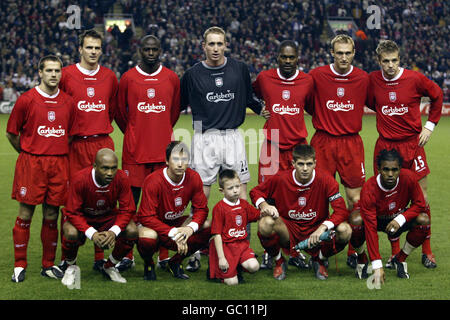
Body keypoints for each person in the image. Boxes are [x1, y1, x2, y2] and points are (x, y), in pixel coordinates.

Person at [180, 26, 262, 269]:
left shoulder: (239, 69)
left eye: (220, 44)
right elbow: (179, 104)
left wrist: (263, 110)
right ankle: (194, 252)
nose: (215, 48)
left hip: (232, 137)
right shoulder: (192, 74)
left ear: (226, 45)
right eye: (211, 44)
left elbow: (249, 98)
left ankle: (242, 247)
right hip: (203, 138)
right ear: (203, 46)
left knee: (241, 196)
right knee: (199, 199)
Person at [367, 40, 443, 269]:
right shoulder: (373, 80)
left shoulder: (414, 79)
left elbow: (437, 95)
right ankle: (394, 252)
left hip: (412, 145)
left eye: (394, 60)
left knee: (423, 197)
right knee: (387, 198)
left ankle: (427, 251)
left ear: (399, 59)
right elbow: (370, 101)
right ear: (378, 61)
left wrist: (430, 126)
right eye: (386, 61)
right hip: (385, 146)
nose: (390, 65)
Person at [115, 35, 181, 268]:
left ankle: (163, 254)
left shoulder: (172, 78)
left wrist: (160, 131)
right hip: (135, 153)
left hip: (162, 153)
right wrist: (133, 132)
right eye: (147, 49)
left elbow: (173, 113)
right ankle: (127, 254)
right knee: (129, 206)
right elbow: (119, 112)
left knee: (163, 207)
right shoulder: (128, 78)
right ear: (139, 50)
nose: (151, 53)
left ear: (160, 50)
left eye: (155, 49)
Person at [7, 55, 74, 282]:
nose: (54, 75)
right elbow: (11, 133)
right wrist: (28, 153)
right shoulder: (27, 100)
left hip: (59, 164)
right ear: (40, 72)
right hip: (32, 164)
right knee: (26, 213)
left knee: (52, 214)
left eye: (57, 71)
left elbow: (71, 134)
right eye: (49, 71)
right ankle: (19, 264)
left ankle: (47, 265)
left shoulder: (68, 102)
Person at [58, 29, 120, 272]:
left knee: (103, 197)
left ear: (101, 50)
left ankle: (98, 257)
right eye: (89, 47)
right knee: (74, 198)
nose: (93, 52)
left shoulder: (109, 77)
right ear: (80, 49)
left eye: (97, 48)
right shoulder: (66, 75)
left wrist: (99, 129)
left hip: (102, 143)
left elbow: (112, 110)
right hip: (76, 145)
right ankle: (67, 258)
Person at [308, 34, 369, 268]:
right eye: (339, 53)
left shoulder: (362, 78)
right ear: (332, 53)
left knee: (355, 198)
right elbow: (305, 101)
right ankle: (319, 249)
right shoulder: (317, 75)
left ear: (354, 53)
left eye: (348, 53)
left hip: (351, 143)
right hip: (323, 141)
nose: (343, 57)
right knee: (321, 198)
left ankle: (354, 249)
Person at [252, 40, 314, 270]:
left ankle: (295, 249)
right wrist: (259, 108)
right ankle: (270, 251)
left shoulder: (307, 80)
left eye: (292, 57)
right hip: (272, 145)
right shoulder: (265, 78)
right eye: (283, 57)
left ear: (298, 58)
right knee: (267, 200)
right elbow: (251, 92)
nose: (287, 61)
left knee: (297, 200)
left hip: (298, 147)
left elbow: (314, 105)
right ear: (277, 57)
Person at [249, 144, 351, 281]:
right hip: (289, 229)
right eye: (301, 164)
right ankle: (279, 261)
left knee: (345, 230)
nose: (305, 169)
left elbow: (341, 211)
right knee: (265, 224)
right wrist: (264, 205)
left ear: (315, 163)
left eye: (309, 164)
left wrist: (323, 228)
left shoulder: (326, 180)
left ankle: (319, 260)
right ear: (293, 164)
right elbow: (255, 192)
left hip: (316, 229)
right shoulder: (281, 178)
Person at [350, 149, 430, 284]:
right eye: (386, 169)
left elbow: (420, 204)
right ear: (378, 169)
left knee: (423, 220)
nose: (390, 174)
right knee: (355, 221)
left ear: (400, 169)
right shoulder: (369, 188)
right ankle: (362, 258)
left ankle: (400, 259)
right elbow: (370, 228)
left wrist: (401, 219)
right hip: (377, 219)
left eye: (395, 170)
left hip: (398, 218)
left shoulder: (409, 178)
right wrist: (377, 265)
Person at [59, 148, 137, 284]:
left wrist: (113, 231)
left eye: (113, 168)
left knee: (132, 231)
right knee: (70, 232)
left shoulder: (121, 177)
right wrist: (93, 234)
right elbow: (72, 212)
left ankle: (110, 266)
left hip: (107, 217)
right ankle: (70, 267)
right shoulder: (80, 179)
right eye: (105, 168)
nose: (110, 173)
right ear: (95, 167)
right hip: (84, 217)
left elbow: (127, 209)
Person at [136, 141, 211, 281]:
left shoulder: (193, 177)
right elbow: (146, 217)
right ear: (166, 161)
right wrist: (174, 233)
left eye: (184, 159)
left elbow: (202, 209)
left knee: (207, 225)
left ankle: (175, 262)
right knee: (147, 238)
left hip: (176, 223)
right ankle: (149, 264)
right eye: (176, 159)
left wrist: (189, 228)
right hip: (155, 226)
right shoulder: (153, 181)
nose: (180, 164)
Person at [208, 169, 267, 285]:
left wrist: (268, 210)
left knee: (254, 266)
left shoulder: (244, 205)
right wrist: (221, 258)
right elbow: (217, 234)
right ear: (222, 190)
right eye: (230, 188)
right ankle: (216, 270)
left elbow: (257, 214)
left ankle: (237, 266)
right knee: (232, 282)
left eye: (237, 187)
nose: (235, 191)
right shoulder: (219, 208)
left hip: (241, 245)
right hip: (226, 248)